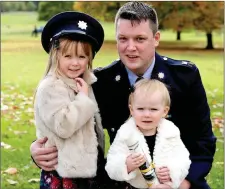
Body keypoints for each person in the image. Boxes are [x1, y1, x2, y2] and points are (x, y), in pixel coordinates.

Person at [30, 2, 217, 189]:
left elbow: (203, 141)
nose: (130, 47)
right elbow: (66, 119)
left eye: (140, 39)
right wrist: (37, 149)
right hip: (124, 180)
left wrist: (184, 183)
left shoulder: (184, 77)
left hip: (176, 180)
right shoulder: (101, 81)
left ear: (156, 38)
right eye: (123, 39)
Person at [33, 11, 105, 189]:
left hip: (86, 170)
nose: (75, 63)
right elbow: (63, 126)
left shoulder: (83, 83)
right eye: (68, 56)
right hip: (63, 172)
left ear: (89, 58)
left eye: (82, 57)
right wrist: (82, 99)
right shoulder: (50, 87)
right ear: (55, 55)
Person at [105, 79, 191, 189]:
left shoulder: (170, 132)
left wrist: (171, 172)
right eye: (140, 109)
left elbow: (182, 159)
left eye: (153, 109)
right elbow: (112, 165)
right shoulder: (126, 134)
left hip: (164, 186)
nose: (146, 114)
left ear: (164, 111)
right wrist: (127, 165)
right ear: (131, 110)